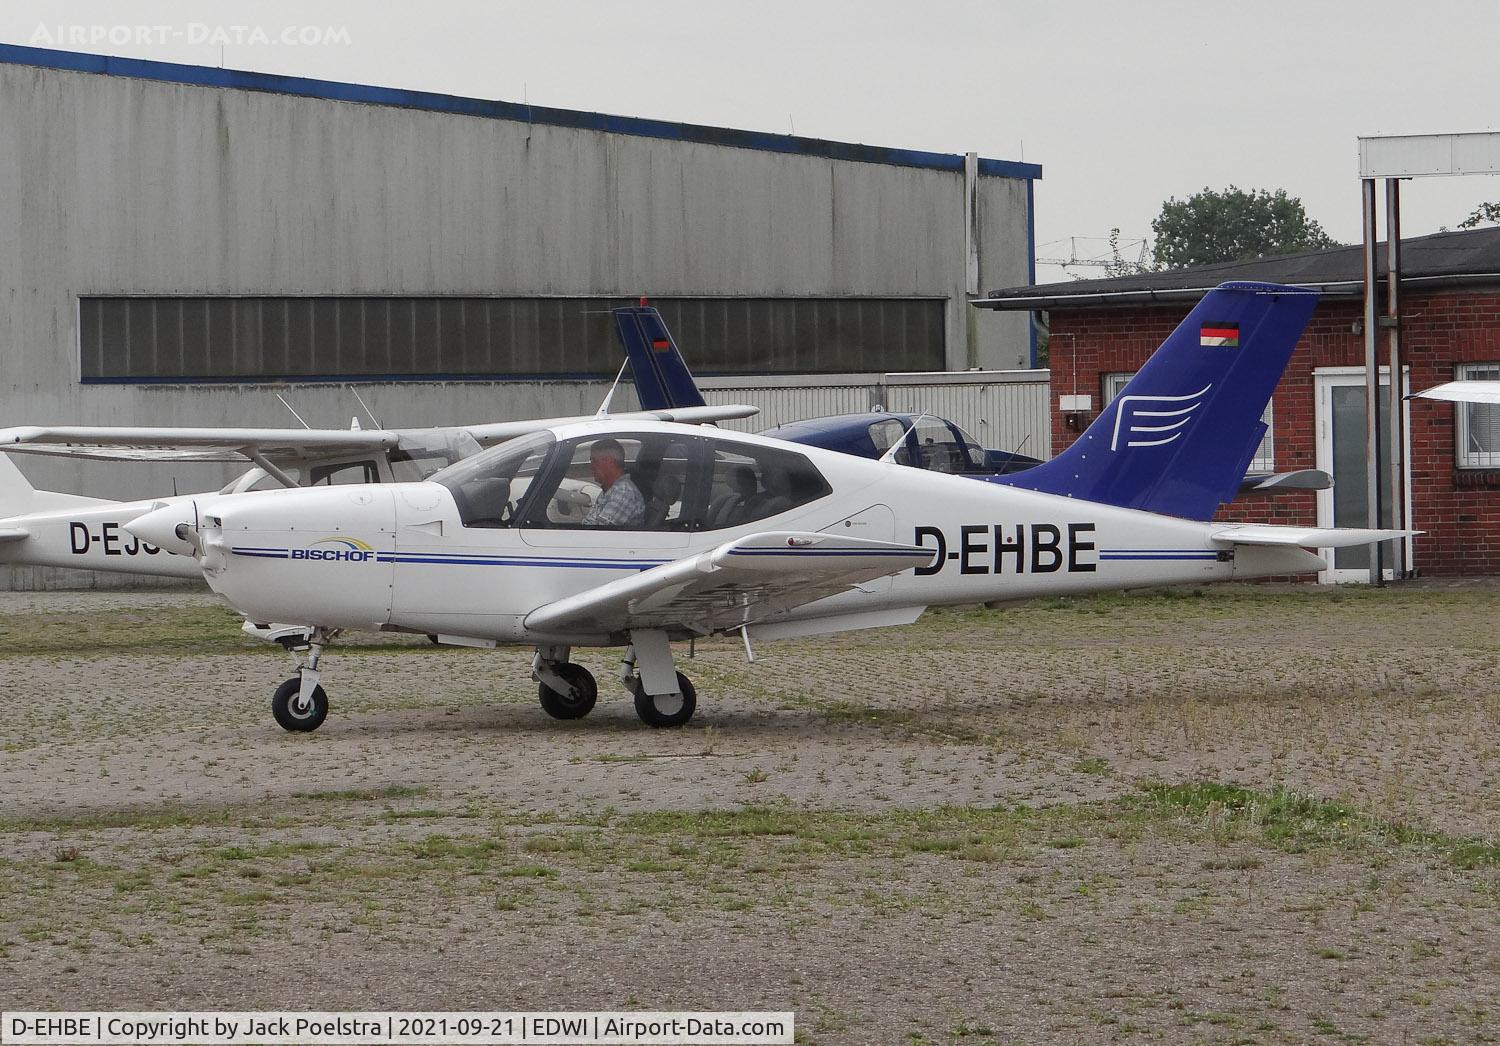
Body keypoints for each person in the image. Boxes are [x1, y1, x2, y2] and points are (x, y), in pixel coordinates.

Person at [582, 438, 646, 527]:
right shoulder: (610, 489)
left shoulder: (623, 493)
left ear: (609, 461)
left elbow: (597, 532)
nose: (591, 467)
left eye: (594, 461)